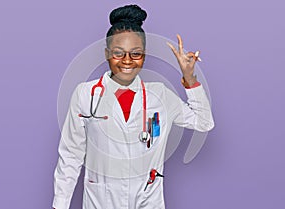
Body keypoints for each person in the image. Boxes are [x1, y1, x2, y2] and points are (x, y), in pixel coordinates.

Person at [53, 4, 214, 209]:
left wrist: (189, 77)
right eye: (118, 53)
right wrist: (60, 205)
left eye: (135, 54)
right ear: (106, 53)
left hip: (148, 201)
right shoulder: (86, 94)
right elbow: (70, 155)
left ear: (144, 55)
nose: (127, 61)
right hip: (100, 201)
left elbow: (204, 122)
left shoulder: (161, 95)